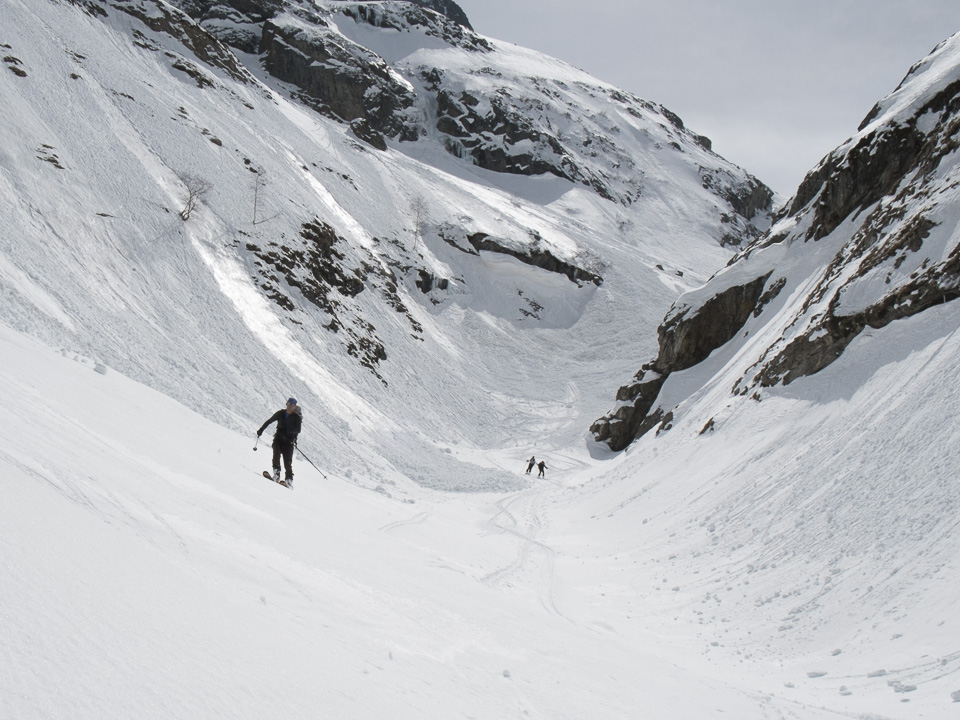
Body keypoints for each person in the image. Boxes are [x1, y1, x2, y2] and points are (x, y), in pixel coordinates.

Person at [257, 397, 302, 487]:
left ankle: (289, 480)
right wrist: (261, 430)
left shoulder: (297, 418)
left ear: (294, 407)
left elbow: (298, 430)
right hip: (278, 439)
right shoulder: (280, 413)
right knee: (276, 454)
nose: (289, 406)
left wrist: (287, 431)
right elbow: (270, 421)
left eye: (291, 405)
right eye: (288, 404)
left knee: (287, 462)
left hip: (288, 442)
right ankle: (276, 474)